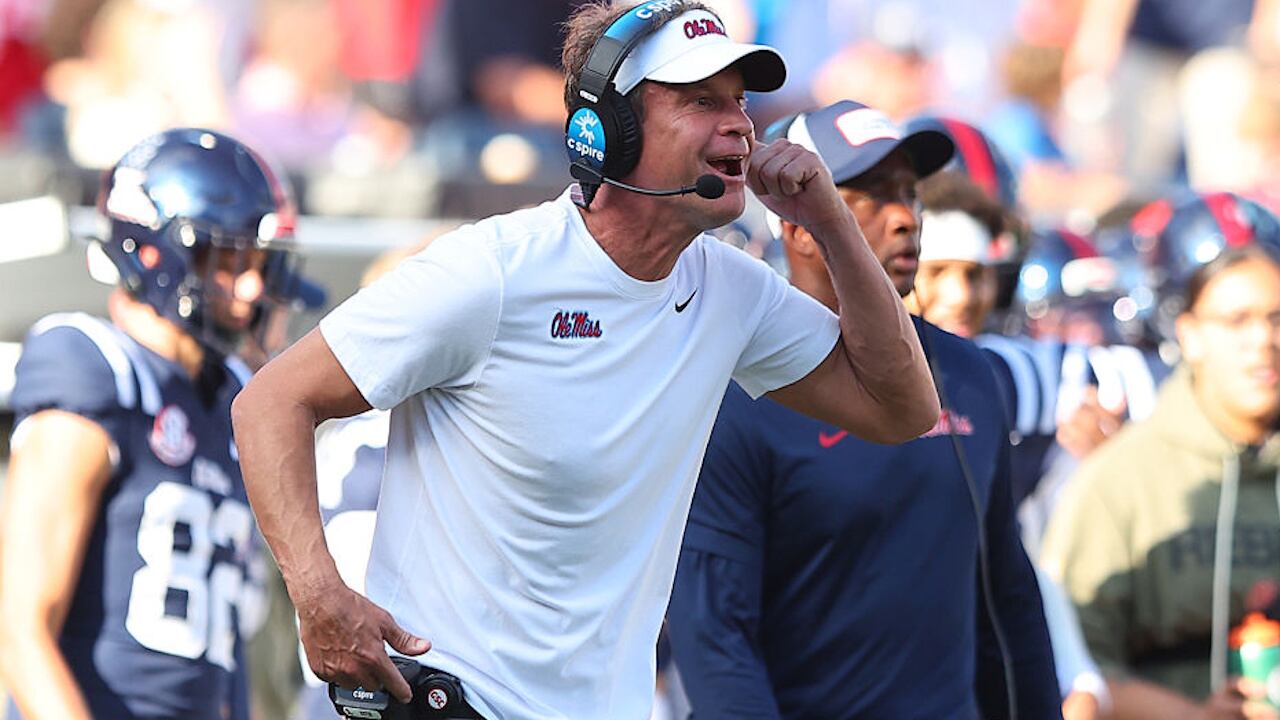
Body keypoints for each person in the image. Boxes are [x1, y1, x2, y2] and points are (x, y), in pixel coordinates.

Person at [229, 3, 941, 720]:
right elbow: (270, 402)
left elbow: (903, 410)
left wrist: (832, 222)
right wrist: (319, 597)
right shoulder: (493, 271)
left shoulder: (734, 290)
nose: (740, 127)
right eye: (702, 101)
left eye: (740, 102)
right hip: (450, 702)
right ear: (610, 129)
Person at [667, 98, 1061, 720]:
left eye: (909, 193)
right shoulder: (734, 389)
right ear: (796, 226)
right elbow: (716, 638)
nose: (905, 217)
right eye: (871, 196)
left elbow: (1008, 600)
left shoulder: (970, 374)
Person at [0, 128, 314, 720]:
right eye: (227, 259)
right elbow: (21, 631)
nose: (251, 287)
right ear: (151, 251)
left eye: (257, 262)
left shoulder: (232, 393)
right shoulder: (97, 367)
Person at [1042, 238, 1280, 719]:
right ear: (1189, 334)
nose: (1263, 340)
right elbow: (1071, 671)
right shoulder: (1119, 479)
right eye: (1237, 321)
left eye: (1277, 319)